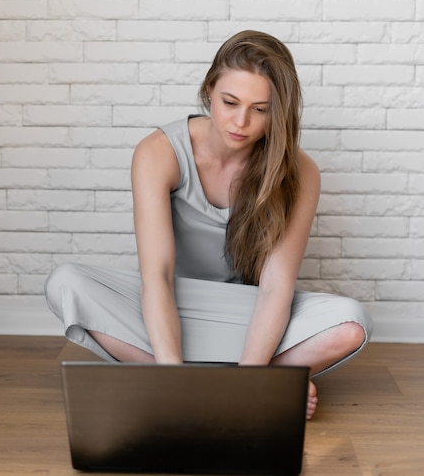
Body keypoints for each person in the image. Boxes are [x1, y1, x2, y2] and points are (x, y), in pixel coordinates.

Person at [45, 30, 372, 419]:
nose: (241, 121)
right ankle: (221, 385)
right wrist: (171, 374)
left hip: (245, 314)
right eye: (229, 102)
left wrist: (252, 370)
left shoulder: (300, 172)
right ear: (208, 91)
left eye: (260, 109)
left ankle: (235, 384)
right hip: (172, 307)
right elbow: (158, 277)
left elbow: (275, 288)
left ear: (278, 112)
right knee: (66, 283)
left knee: (352, 323)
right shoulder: (159, 152)